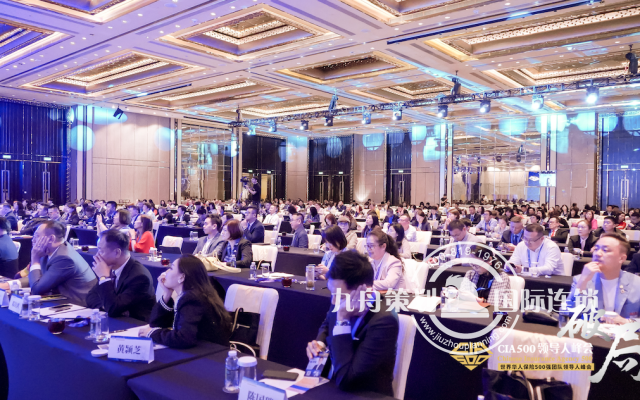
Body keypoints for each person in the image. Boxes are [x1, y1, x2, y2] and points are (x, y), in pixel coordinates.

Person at [306, 251, 398, 396]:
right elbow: (327, 323)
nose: (334, 301)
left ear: (364, 291)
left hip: (362, 393)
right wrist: (320, 343)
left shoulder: (384, 321)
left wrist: (342, 320)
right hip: (329, 385)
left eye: (339, 296)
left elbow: (347, 380)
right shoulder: (340, 297)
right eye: (332, 293)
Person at [139, 255, 232, 347]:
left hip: (211, 352)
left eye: (171, 268)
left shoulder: (192, 299)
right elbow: (155, 323)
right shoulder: (192, 294)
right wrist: (167, 294)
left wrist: (152, 333)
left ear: (181, 277)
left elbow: (183, 338)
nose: (166, 272)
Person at [0, 221, 96, 306]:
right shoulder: (50, 251)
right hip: (60, 298)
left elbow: (37, 289)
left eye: (36, 236)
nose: (33, 240)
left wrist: (35, 258)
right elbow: (38, 279)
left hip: (78, 305)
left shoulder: (64, 258)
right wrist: (9, 284)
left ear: (51, 238)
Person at [569, 233, 640, 323]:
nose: (598, 253)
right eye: (596, 249)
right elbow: (567, 312)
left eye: (605, 250)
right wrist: (582, 282)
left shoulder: (637, 283)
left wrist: (627, 322)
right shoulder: (581, 279)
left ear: (622, 258)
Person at [86, 230, 155, 321]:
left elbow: (112, 309)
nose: (97, 255)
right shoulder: (110, 267)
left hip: (135, 324)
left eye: (101, 251)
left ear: (117, 253)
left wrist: (104, 278)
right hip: (117, 320)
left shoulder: (139, 277)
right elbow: (90, 297)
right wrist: (105, 306)